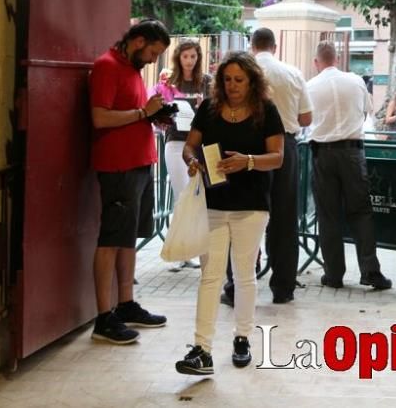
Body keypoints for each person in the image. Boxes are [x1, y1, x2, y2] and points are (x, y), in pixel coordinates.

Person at [175, 52, 285, 375]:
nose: (233, 86)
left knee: (243, 274)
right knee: (209, 275)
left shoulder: (266, 111)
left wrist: (247, 161)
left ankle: (242, 338)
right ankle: (201, 348)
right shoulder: (209, 110)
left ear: (252, 81)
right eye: (227, 80)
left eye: (239, 80)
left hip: (251, 205)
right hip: (213, 201)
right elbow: (189, 145)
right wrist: (190, 160)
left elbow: (277, 157)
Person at [88, 19, 171, 344]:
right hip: (118, 166)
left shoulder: (131, 69)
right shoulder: (107, 66)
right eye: (152, 51)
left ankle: (125, 304)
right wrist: (141, 114)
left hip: (138, 163)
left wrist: (152, 114)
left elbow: (134, 109)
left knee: (127, 238)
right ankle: (103, 317)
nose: (153, 59)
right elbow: (100, 116)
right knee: (111, 239)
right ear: (138, 41)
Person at [222, 28, 312, 305]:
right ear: (275, 46)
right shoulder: (292, 73)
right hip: (284, 147)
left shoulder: (241, 71)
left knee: (240, 214)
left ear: (252, 45)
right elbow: (306, 118)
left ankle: (235, 286)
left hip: (245, 143)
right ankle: (283, 288)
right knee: (284, 218)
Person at [306, 41, 391, 290]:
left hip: (322, 153)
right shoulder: (356, 81)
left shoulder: (310, 86)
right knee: (361, 212)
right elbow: (366, 113)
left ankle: (333, 274)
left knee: (328, 215)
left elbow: (305, 120)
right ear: (338, 58)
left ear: (316, 62)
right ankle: (370, 271)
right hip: (352, 153)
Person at [160, 41, 211, 271]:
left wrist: (204, 106)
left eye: (193, 56)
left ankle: (196, 249)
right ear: (179, 58)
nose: (189, 60)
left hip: (198, 144)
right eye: (185, 56)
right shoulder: (169, 82)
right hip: (175, 142)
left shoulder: (206, 81)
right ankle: (180, 251)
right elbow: (160, 110)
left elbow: (215, 109)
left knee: (198, 197)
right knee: (181, 195)